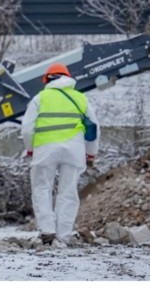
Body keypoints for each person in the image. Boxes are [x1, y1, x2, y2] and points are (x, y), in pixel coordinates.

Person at [21, 62, 100, 247]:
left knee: (42, 188)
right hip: (74, 150)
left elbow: (27, 128)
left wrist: (30, 148)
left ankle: (47, 231)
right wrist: (91, 154)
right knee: (68, 192)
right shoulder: (81, 98)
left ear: (47, 79)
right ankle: (63, 236)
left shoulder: (40, 98)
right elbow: (95, 128)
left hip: (45, 150)